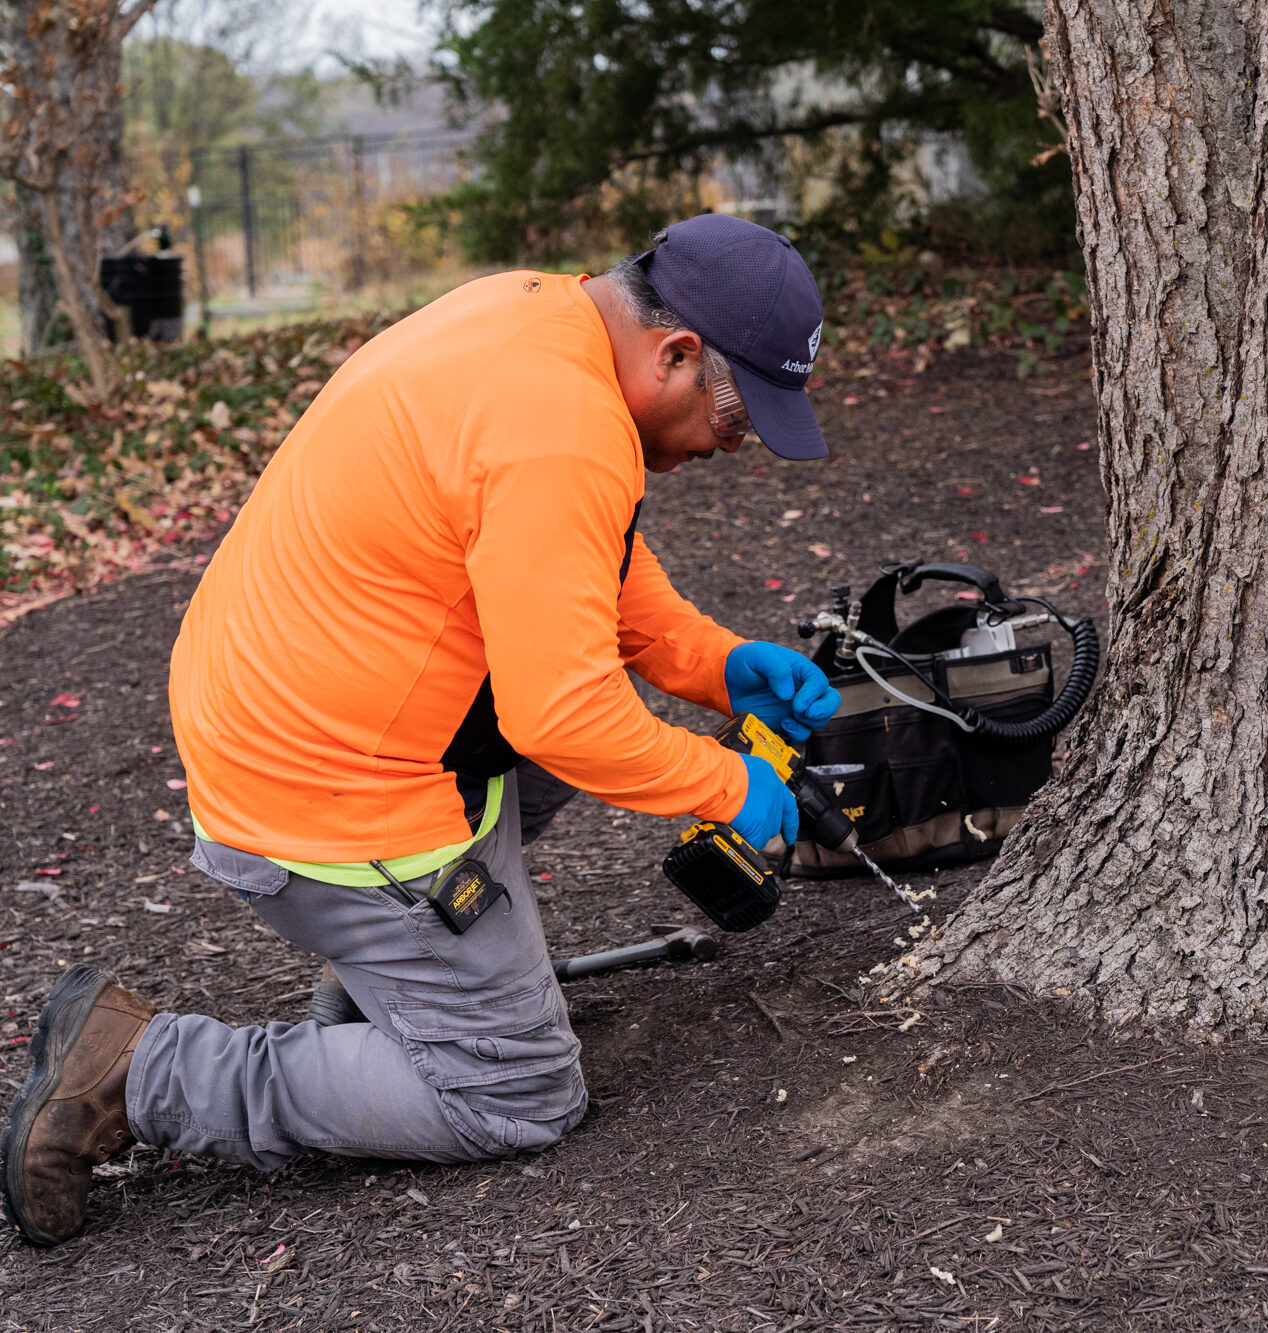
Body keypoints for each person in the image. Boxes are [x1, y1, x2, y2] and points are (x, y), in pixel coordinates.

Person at [1, 214, 839, 1246]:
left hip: (285, 719)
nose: (731, 442)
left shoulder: (537, 315)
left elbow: (579, 556)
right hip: (324, 792)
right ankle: (139, 1070)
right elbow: (561, 711)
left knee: (572, 716)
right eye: (738, 415)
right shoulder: (561, 427)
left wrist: (712, 665)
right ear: (674, 353)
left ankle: (391, 968)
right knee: (516, 1093)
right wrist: (727, 787)